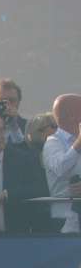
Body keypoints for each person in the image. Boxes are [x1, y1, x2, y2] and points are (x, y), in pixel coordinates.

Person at [42, 93, 81, 234]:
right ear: (71, 115)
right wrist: (78, 144)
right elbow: (60, 168)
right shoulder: (53, 142)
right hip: (64, 222)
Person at [0, 77, 29, 142]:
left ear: (19, 102)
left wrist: (14, 126)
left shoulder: (29, 127)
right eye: (2, 101)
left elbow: (28, 150)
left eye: (11, 101)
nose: (7, 105)